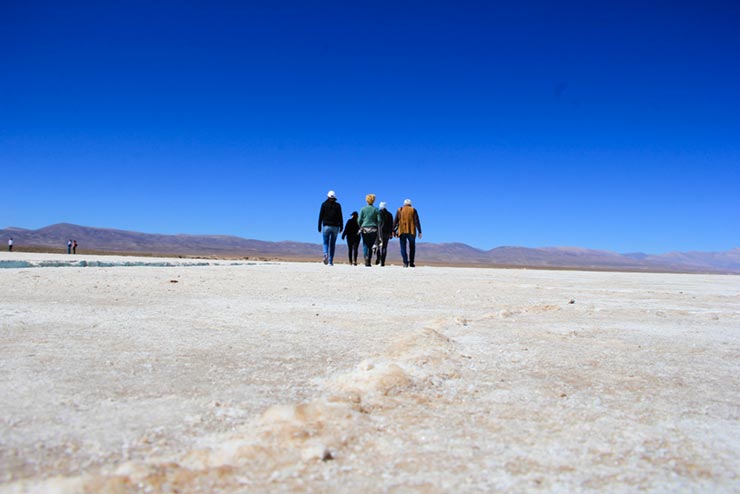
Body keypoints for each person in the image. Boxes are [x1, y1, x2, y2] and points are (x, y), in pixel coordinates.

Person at [394, 198, 422, 267]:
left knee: (403, 247)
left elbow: (395, 221)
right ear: (410, 204)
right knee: (412, 247)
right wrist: (420, 231)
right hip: (411, 231)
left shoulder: (400, 210)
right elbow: (416, 221)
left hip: (402, 231)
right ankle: (411, 263)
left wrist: (393, 231)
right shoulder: (413, 210)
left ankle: (405, 262)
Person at [317, 190, 343, 265]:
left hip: (326, 226)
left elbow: (320, 216)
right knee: (332, 244)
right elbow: (340, 216)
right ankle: (330, 261)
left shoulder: (324, 204)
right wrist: (341, 226)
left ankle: (325, 254)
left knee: (325, 242)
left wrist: (319, 226)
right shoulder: (338, 205)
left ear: (328, 196)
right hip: (335, 227)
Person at [357, 193, 381, 267]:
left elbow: (359, 220)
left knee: (365, 244)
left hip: (365, 229)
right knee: (371, 245)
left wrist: (361, 225)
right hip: (373, 229)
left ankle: (366, 259)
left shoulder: (363, 209)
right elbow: (379, 220)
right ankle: (369, 260)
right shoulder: (376, 209)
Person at [375, 202, 393, 266]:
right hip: (386, 233)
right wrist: (391, 233)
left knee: (377, 245)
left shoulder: (377, 213)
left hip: (378, 232)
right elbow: (391, 225)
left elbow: (376, 223)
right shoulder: (390, 214)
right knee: (384, 247)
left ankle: (378, 257)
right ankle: (383, 262)